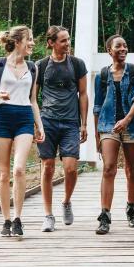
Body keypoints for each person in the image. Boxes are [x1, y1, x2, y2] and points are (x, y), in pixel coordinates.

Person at [0, 25, 44, 237]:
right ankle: (6, 220)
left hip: (24, 117)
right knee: (4, 173)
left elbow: (33, 100)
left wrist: (39, 126)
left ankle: (18, 218)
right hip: (2, 117)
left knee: (19, 170)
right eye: (30, 39)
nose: (32, 43)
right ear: (18, 42)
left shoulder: (33, 68)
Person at [35, 26, 89, 232]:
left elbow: (83, 94)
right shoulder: (40, 66)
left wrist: (84, 123)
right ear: (51, 43)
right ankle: (48, 215)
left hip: (69, 123)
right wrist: (36, 123)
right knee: (47, 167)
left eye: (68, 40)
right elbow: (34, 97)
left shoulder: (77, 64)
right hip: (47, 121)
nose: (68, 44)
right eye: (63, 41)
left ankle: (66, 201)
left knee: (70, 168)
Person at [93, 34, 134, 235]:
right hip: (107, 125)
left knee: (131, 169)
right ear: (109, 51)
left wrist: (127, 120)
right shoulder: (102, 76)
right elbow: (97, 107)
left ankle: (131, 209)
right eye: (118, 46)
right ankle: (105, 216)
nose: (123, 48)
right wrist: (98, 135)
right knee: (108, 168)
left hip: (132, 125)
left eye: (125, 45)